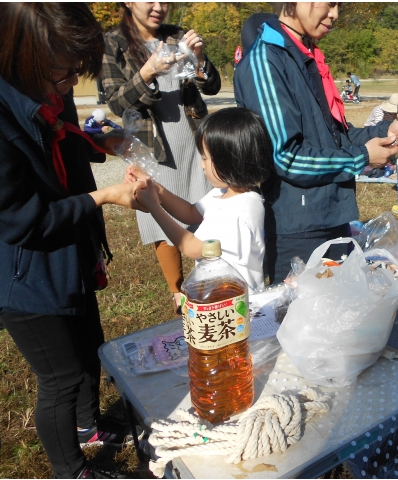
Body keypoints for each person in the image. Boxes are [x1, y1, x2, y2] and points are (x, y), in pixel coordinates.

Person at [0, 3, 148, 478]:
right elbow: (24, 221)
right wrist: (104, 196)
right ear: (25, 54)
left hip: (67, 250)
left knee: (89, 345)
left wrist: (95, 140)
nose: (69, 88)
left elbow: (57, 135)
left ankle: (90, 425)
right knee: (59, 376)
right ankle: (71, 470)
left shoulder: (47, 86)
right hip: (22, 271)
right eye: (64, 75)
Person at [234, 4, 398, 284]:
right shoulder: (266, 60)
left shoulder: (307, 56)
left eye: (340, 5)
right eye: (329, 3)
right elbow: (286, 157)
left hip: (332, 213)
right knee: (302, 322)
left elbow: (336, 137)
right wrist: (361, 158)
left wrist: (388, 130)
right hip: (299, 229)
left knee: (341, 312)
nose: (335, 14)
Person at [101, 2, 222, 315]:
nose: (159, 7)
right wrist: (148, 71)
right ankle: (177, 291)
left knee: (204, 210)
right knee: (160, 216)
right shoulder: (113, 42)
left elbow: (211, 86)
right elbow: (116, 101)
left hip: (192, 135)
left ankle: (211, 282)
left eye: (165, 0)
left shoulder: (177, 35)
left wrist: (200, 59)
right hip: (151, 143)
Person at [130, 108, 272, 294]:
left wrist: (154, 208)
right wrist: (155, 188)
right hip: (220, 295)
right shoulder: (224, 193)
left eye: (205, 158)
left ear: (229, 160)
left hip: (237, 304)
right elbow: (190, 213)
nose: (201, 164)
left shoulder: (240, 209)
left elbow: (193, 248)